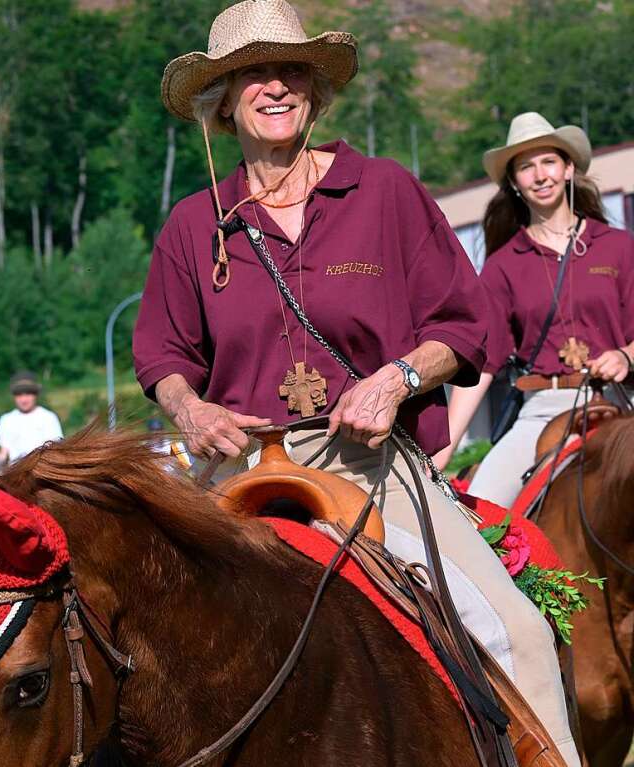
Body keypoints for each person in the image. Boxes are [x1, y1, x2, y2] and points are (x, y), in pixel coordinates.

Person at [133, 2, 578, 762]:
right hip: (238, 467)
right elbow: (163, 358)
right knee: (136, 654)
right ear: (222, 101)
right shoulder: (191, 223)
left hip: (370, 464)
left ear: (315, 88)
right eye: (251, 75)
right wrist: (192, 406)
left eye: (291, 70)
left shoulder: (385, 191)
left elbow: (464, 326)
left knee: (521, 635)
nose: (275, 86)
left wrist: (397, 377)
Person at [434, 112, 634, 509]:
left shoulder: (618, 246)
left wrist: (625, 355)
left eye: (549, 162)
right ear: (514, 183)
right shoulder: (502, 265)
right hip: (543, 411)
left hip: (619, 402)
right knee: (482, 512)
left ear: (568, 169)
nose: (540, 175)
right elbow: (484, 364)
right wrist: (443, 451)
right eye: (526, 167)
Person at [0, 371, 63, 465]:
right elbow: (3, 454)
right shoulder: (6, 419)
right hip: (13, 472)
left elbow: (54, 451)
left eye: (28, 394)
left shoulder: (48, 417)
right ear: (14, 396)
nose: (24, 399)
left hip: (40, 469)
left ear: (36, 395)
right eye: (19, 395)